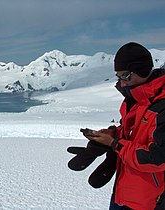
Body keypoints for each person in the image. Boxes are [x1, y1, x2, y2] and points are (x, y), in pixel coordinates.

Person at [67, 42, 165, 210]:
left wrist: (114, 144)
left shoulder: (161, 106)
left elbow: (157, 159)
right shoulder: (135, 99)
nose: (122, 83)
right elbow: (133, 133)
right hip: (124, 192)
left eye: (126, 76)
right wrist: (113, 133)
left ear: (142, 70)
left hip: (149, 202)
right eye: (119, 77)